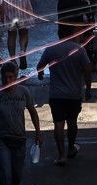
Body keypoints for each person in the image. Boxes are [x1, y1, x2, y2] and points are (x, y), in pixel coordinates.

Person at [36, 23, 93, 166]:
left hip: (56, 94)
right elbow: (87, 68)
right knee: (72, 121)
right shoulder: (79, 50)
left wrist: (41, 74)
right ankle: (71, 148)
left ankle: (61, 155)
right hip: (74, 93)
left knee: (58, 123)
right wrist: (88, 89)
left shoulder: (51, 49)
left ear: (59, 34)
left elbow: (40, 66)